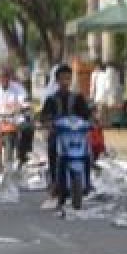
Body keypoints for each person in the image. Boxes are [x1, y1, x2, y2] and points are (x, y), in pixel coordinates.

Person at [40, 63, 93, 203]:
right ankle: (54, 182)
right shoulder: (51, 99)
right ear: (57, 81)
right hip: (59, 135)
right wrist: (48, 123)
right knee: (52, 149)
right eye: (62, 79)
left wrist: (93, 120)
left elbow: (87, 115)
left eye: (68, 79)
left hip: (76, 135)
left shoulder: (78, 98)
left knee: (88, 153)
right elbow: (44, 117)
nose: (65, 82)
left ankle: (87, 182)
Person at [0, 66, 33, 165]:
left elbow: (25, 101)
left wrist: (24, 107)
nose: (4, 79)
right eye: (2, 77)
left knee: (28, 127)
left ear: (10, 77)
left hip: (15, 117)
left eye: (6, 76)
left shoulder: (18, 87)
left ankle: (24, 153)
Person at [90, 62, 111, 127]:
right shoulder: (105, 75)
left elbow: (93, 86)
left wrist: (92, 95)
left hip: (98, 96)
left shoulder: (96, 76)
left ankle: (100, 124)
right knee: (104, 111)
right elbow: (108, 87)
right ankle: (104, 124)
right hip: (104, 96)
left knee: (99, 111)